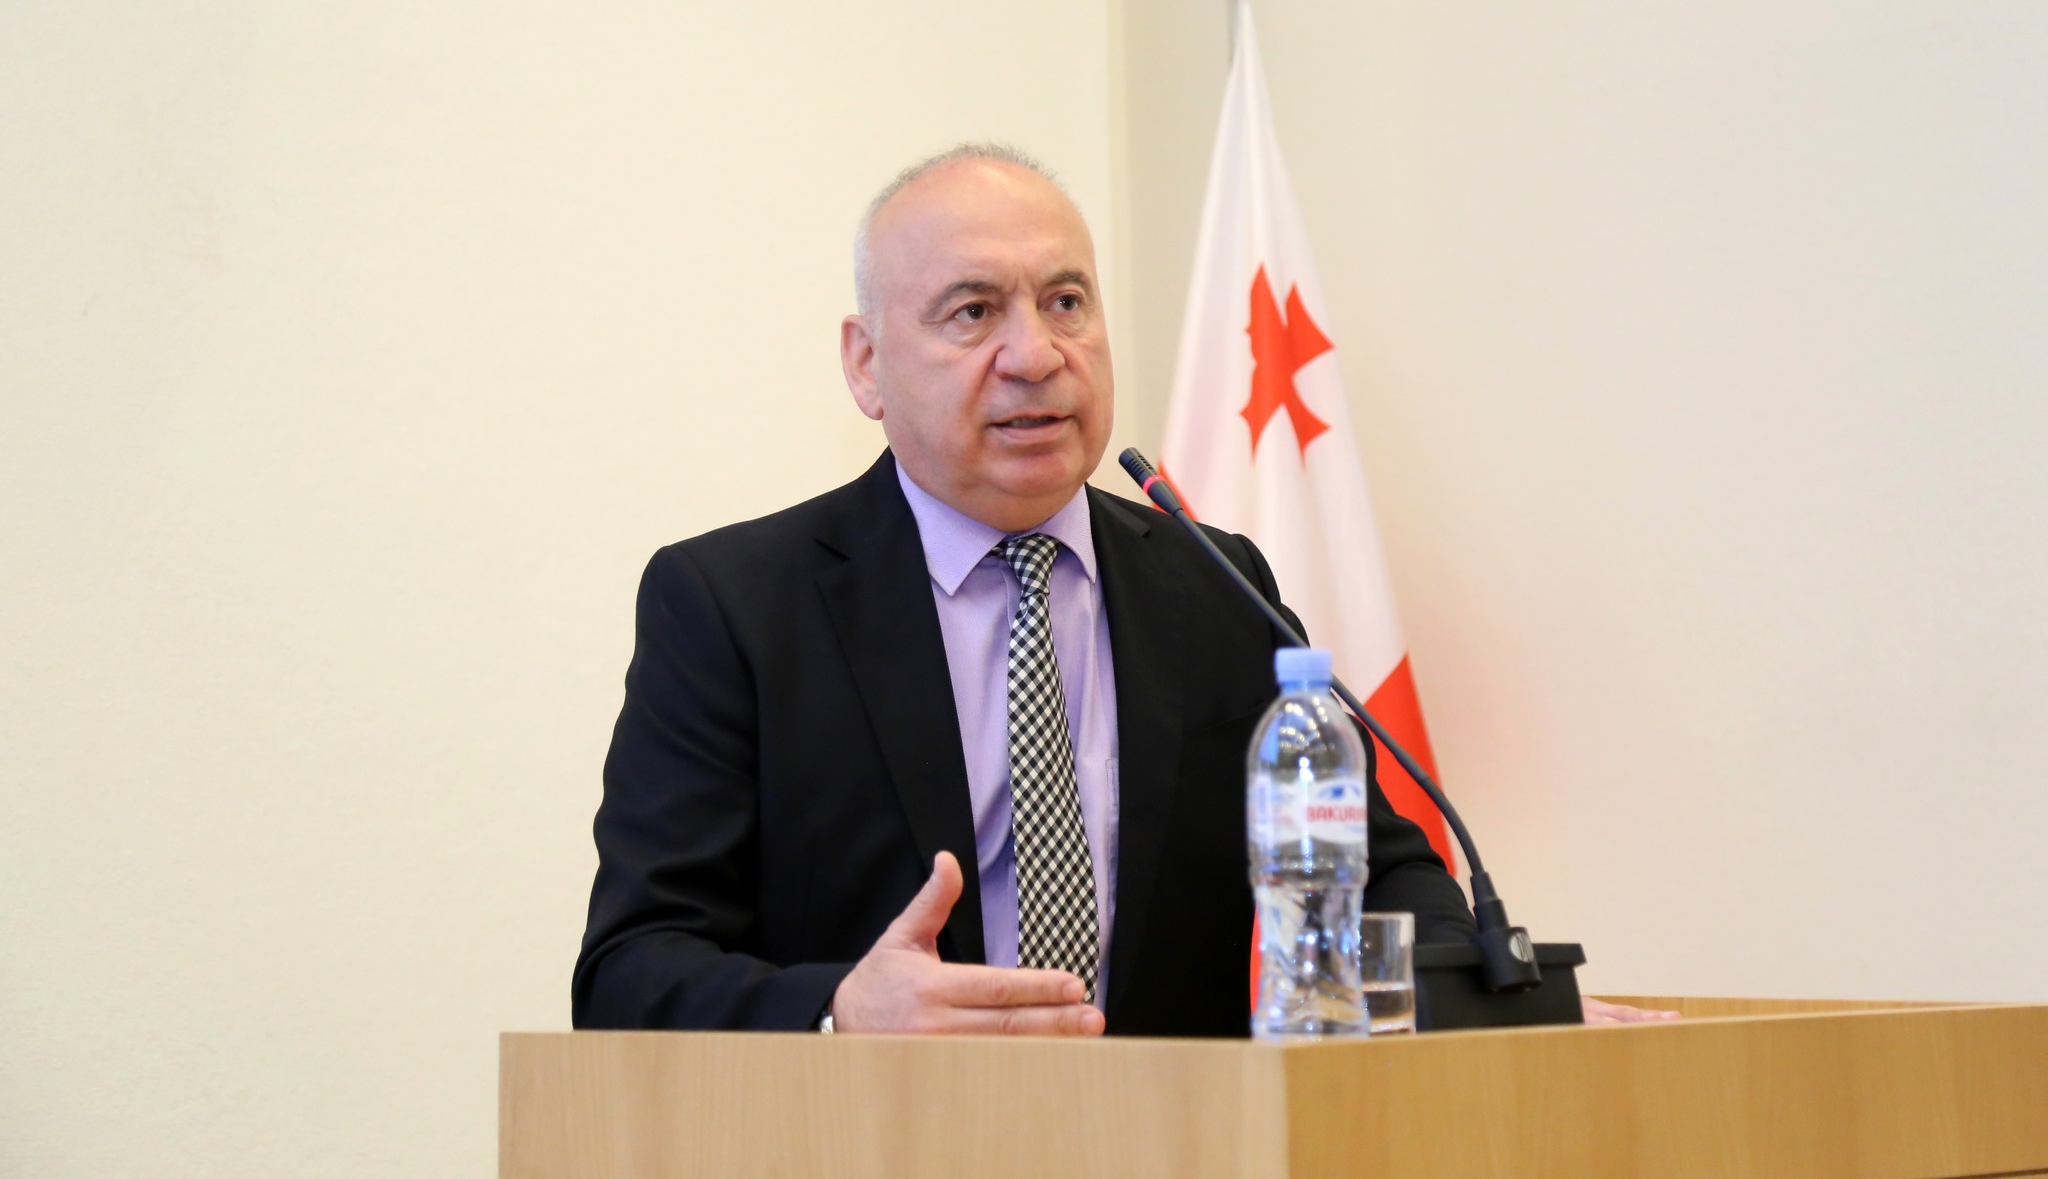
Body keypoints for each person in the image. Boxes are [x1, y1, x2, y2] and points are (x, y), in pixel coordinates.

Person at [573, 145, 1667, 1034]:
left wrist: (1496, 1007)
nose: (1034, 355)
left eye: (1065, 301)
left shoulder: (1214, 584)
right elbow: (632, 967)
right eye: (971, 312)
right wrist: (840, 1009)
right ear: (866, 364)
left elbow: (1376, 873)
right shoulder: (733, 606)